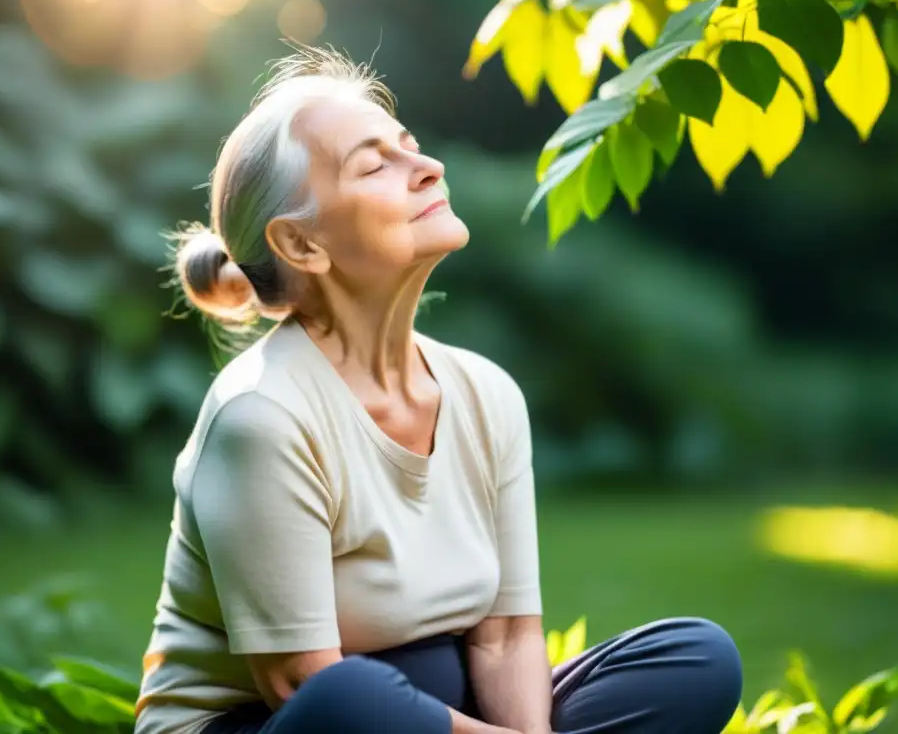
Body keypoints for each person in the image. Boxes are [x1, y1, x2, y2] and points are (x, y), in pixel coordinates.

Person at [134, 46, 743, 734]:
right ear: (302, 245)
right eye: (375, 165)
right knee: (352, 699)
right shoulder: (263, 418)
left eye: (411, 148)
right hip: (282, 722)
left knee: (694, 659)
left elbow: (506, 636)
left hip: (444, 714)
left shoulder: (487, 395)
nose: (428, 168)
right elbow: (300, 683)